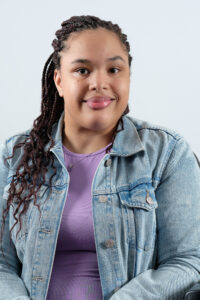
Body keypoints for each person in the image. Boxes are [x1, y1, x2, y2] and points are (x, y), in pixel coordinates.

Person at [0, 15, 200, 300]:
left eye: (114, 69)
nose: (99, 83)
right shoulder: (15, 155)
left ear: (129, 75)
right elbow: (1, 263)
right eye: (82, 70)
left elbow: (187, 261)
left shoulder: (168, 154)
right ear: (59, 80)